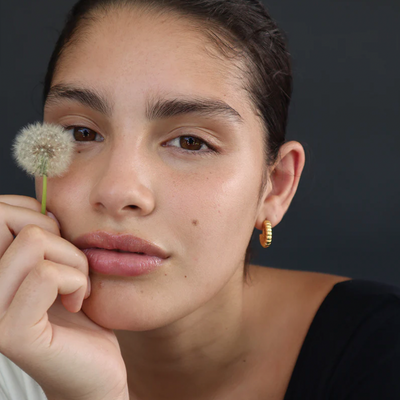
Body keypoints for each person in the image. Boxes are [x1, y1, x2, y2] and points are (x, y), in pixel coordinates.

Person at [1, 0, 400, 399]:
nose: (118, 191)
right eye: (81, 133)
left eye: (191, 142)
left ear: (275, 186)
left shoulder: (380, 357)